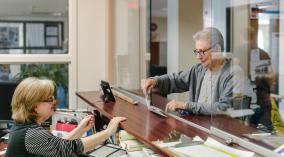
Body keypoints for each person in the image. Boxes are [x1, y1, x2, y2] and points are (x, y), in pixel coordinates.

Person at [6, 77, 126, 157]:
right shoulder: (32, 134)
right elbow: (71, 148)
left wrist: (80, 129)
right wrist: (109, 131)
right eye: (49, 99)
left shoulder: (24, 128)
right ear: (34, 106)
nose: (54, 102)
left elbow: (58, 146)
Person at [141, 27, 246, 115]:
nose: (198, 57)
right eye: (196, 51)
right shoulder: (198, 69)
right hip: (199, 127)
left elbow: (224, 108)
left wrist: (186, 105)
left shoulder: (234, 73)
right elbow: (176, 80)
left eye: (202, 52)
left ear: (217, 49)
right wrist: (155, 81)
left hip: (220, 132)